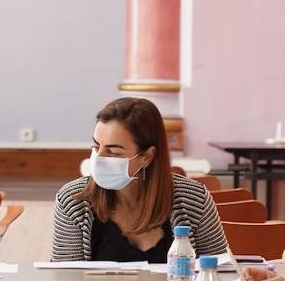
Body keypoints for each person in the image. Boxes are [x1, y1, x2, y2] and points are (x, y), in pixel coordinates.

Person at [51, 97, 228, 262]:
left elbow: (220, 272)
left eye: (114, 151)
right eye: (96, 147)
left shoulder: (194, 199)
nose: (99, 158)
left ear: (147, 157)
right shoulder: (73, 200)